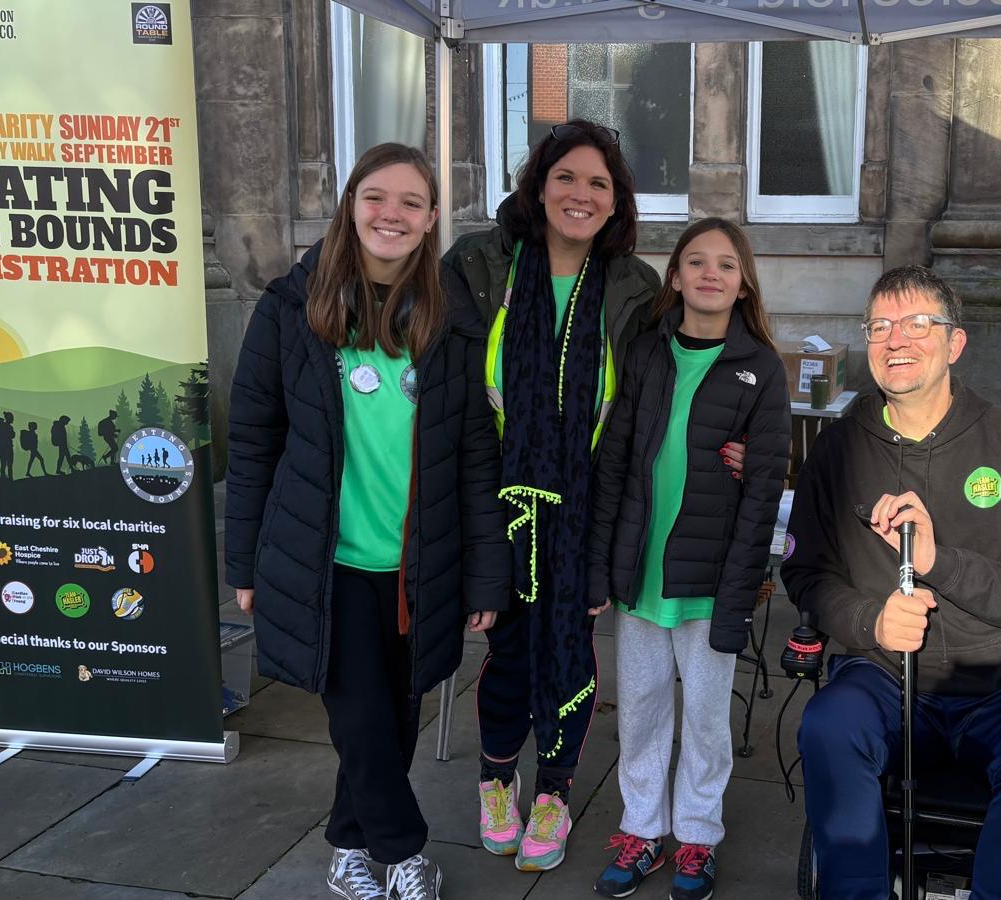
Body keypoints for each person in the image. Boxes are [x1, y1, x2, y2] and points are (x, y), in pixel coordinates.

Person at [445, 119, 745, 873]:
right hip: (495, 496)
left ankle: (553, 788)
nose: (581, 194)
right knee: (508, 649)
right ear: (539, 185)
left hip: (587, 506)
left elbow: (677, 386)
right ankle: (495, 777)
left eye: (598, 184)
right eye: (567, 178)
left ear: (616, 204)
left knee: (573, 652)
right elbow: (445, 392)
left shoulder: (636, 289)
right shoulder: (478, 265)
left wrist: (737, 436)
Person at [226, 142, 510, 900]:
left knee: (391, 717)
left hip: (419, 567)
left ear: (429, 222)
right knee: (359, 718)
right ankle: (405, 850)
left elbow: (475, 459)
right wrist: (244, 565)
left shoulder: (450, 319)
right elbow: (254, 442)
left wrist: (487, 571)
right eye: (377, 197)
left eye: (411, 203)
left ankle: (348, 847)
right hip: (327, 565)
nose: (393, 214)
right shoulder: (291, 308)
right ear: (352, 205)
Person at [783, 266, 1001, 900]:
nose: (898, 340)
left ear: (954, 343)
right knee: (826, 728)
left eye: (919, 323)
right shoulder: (835, 451)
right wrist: (870, 621)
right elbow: (806, 573)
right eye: (881, 326)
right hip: (883, 674)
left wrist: (941, 561)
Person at [585, 219, 790, 900]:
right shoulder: (644, 354)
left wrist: (741, 592)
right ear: (673, 277)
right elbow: (614, 462)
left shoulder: (761, 368)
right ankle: (642, 830)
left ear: (743, 282)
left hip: (710, 585)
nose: (710, 274)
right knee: (642, 710)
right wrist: (600, 566)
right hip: (641, 580)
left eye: (726, 265)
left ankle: (697, 838)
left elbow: (763, 490)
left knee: (705, 718)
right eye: (695, 262)